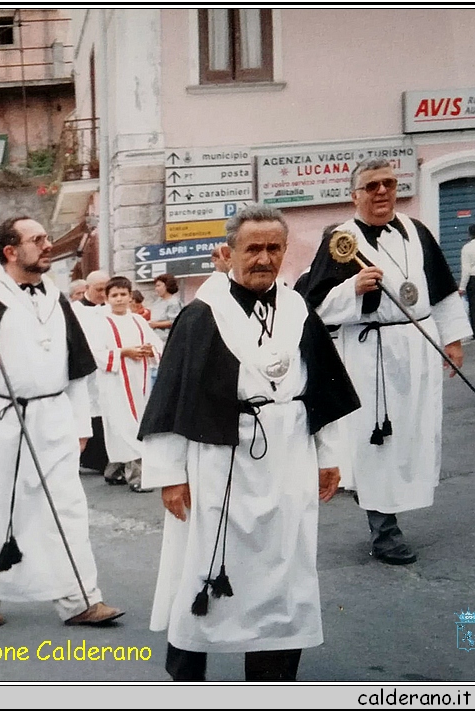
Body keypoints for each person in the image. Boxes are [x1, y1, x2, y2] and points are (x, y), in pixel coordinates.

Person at [139, 203, 360, 681]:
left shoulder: (298, 308)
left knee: (286, 564)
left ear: (284, 251)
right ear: (230, 252)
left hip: (289, 453)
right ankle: (188, 676)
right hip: (220, 458)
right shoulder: (201, 315)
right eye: (253, 248)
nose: (264, 258)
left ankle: (273, 676)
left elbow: (322, 385)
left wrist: (330, 455)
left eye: (274, 248)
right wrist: (169, 476)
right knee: (203, 563)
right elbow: (170, 399)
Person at [0, 215, 123, 629]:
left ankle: (80, 599)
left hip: (53, 417)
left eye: (47, 237)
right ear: (11, 251)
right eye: (37, 239)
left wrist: (81, 426)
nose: (47, 244)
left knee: (68, 508)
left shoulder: (57, 296)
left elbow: (75, 368)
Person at [297, 158, 470, 566]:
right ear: (354, 195)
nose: (382, 192)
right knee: (378, 439)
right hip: (370, 351)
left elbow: (442, 290)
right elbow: (314, 306)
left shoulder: (416, 230)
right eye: (371, 185)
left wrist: (454, 341)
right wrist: (352, 289)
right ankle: (384, 530)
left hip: (418, 346)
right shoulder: (341, 240)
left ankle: (380, 499)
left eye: (389, 183)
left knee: (413, 434)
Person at [94, 276, 163, 493]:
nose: (119, 299)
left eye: (123, 294)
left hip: (138, 378)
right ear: (107, 298)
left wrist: (149, 350)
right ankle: (137, 477)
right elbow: (96, 352)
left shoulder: (138, 321)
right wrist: (123, 352)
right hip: (114, 381)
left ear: (130, 296)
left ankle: (113, 470)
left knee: (133, 422)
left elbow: (156, 343)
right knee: (123, 424)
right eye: (114, 295)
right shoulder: (102, 322)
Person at [70, 269, 110, 474]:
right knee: (88, 407)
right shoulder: (75, 310)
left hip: (106, 368)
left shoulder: (109, 308)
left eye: (106, 289)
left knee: (105, 408)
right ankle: (90, 457)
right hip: (86, 367)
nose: (103, 294)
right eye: (99, 289)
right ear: (87, 288)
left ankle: (105, 457)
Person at [148, 273, 184, 342]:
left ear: (167, 285)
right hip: (156, 338)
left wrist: (156, 324)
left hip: (168, 339)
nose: (156, 289)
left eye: (158, 286)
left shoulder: (174, 302)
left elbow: (175, 321)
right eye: (155, 286)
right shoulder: (157, 302)